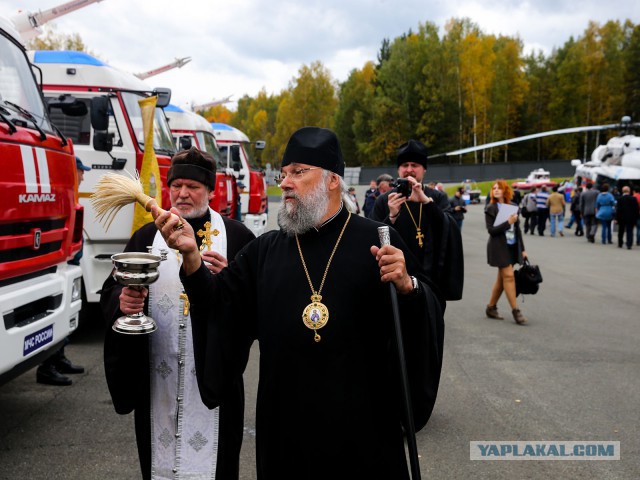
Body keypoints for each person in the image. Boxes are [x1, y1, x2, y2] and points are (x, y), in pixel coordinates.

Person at [152, 127, 445, 480]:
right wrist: (192, 259)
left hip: (363, 434)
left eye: (298, 172)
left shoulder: (377, 241)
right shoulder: (266, 251)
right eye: (284, 173)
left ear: (333, 180)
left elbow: (426, 310)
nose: (285, 183)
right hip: (285, 434)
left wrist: (408, 287)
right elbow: (220, 306)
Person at [100, 147, 256, 480]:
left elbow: (255, 305)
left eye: (193, 186)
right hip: (158, 379)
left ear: (211, 190)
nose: (183, 193)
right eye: (177, 185)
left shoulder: (238, 236)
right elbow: (110, 291)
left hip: (214, 380)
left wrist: (230, 279)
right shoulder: (145, 238)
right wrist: (122, 303)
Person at [371, 139, 463, 302]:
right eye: (405, 165)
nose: (409, 170)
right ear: (398, 169)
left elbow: (450, 230)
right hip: (396, 279)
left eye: (415, 165)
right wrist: (391, 217)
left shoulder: (436, 197)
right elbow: (372, 239)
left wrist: (426, 203)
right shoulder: (384, 200)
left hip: (431, 279)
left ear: (424, 169)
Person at [36, 156, 89, 386]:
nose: (83, 175)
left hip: (71, 264)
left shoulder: (70, 195)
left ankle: (59, 357)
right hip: (61, 266)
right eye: (80, 171)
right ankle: (46, 367)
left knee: (68, 313)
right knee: (53, 315)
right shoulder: (62, 196)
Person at [484, 180, 528, 325]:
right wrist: (507, 222)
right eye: (494, 188)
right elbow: (491, 230)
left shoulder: (513, 207)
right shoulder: (490, 208)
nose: (496, 190)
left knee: (501, 280)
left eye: (499, 188)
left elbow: (518, 230)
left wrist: (523, 250)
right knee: (509, 276)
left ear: (505, 191)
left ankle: (491, 307)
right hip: (498, 247)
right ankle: (516, 311)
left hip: (512, 246)